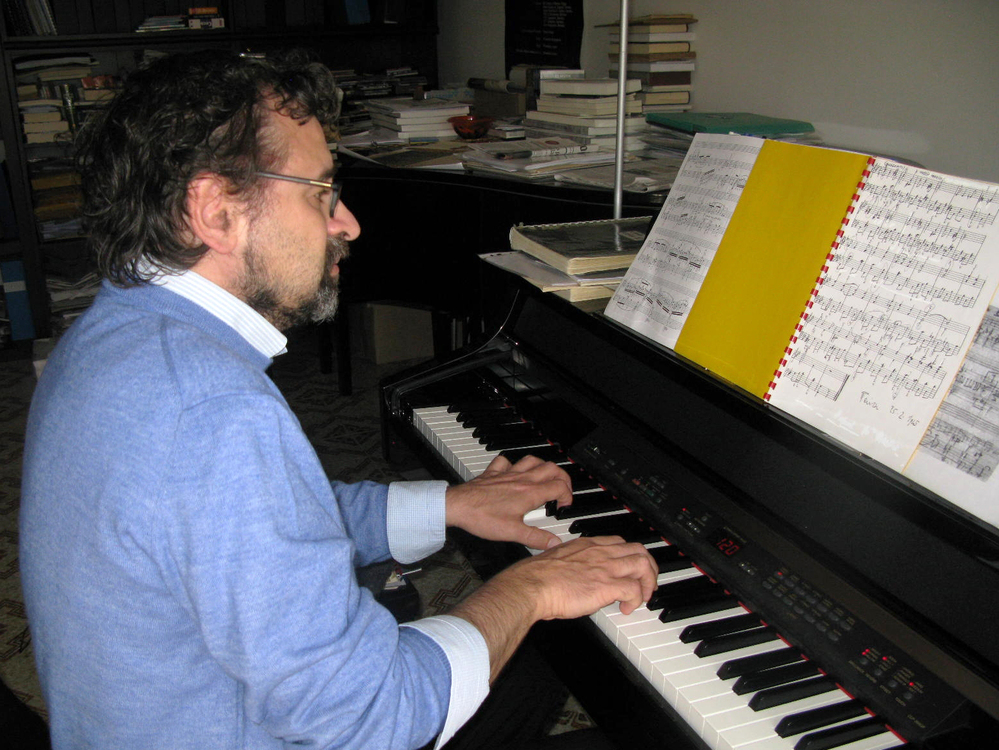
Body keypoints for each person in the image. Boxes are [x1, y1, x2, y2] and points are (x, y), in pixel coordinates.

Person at [19, 49, 658, 750]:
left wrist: (450, 506)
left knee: (530, 674)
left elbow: (264, 527)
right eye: (321, 192)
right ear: (216, 212)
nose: (347, 223)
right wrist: (531, 587)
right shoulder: (215, 413)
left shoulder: (107, 336)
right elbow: (370, 719)